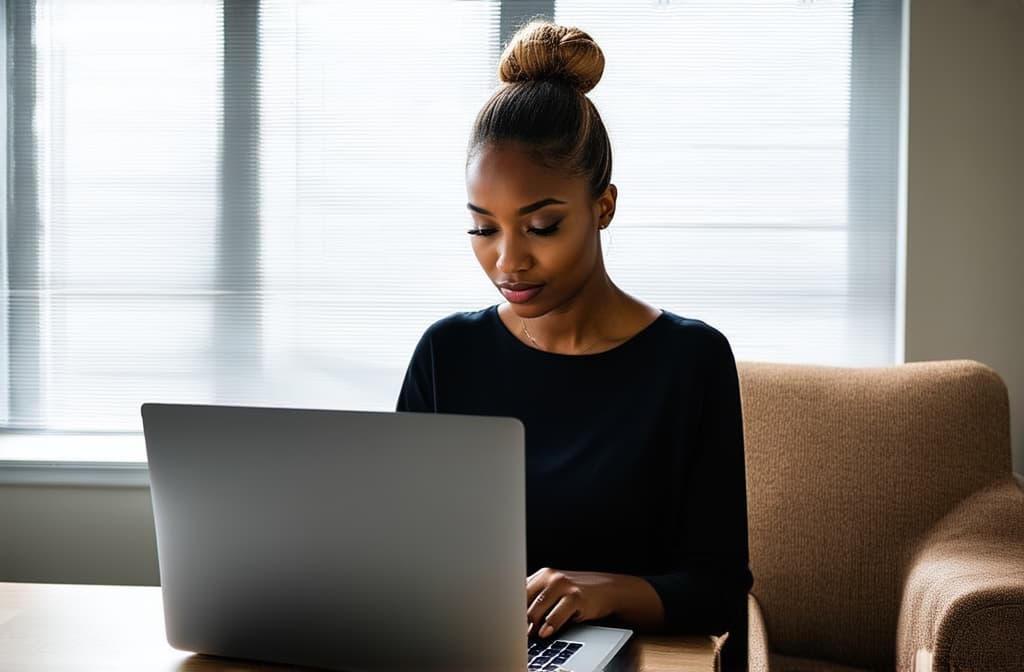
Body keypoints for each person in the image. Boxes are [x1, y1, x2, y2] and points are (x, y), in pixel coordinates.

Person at [397, 19, 751, 654]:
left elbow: (719, 588)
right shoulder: (446, 355)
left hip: (632, 656)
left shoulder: (690, 361)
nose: (508, 261)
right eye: (484, 229)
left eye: (542, 225)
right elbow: (399, 555)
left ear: (604, 206)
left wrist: (602, 592)